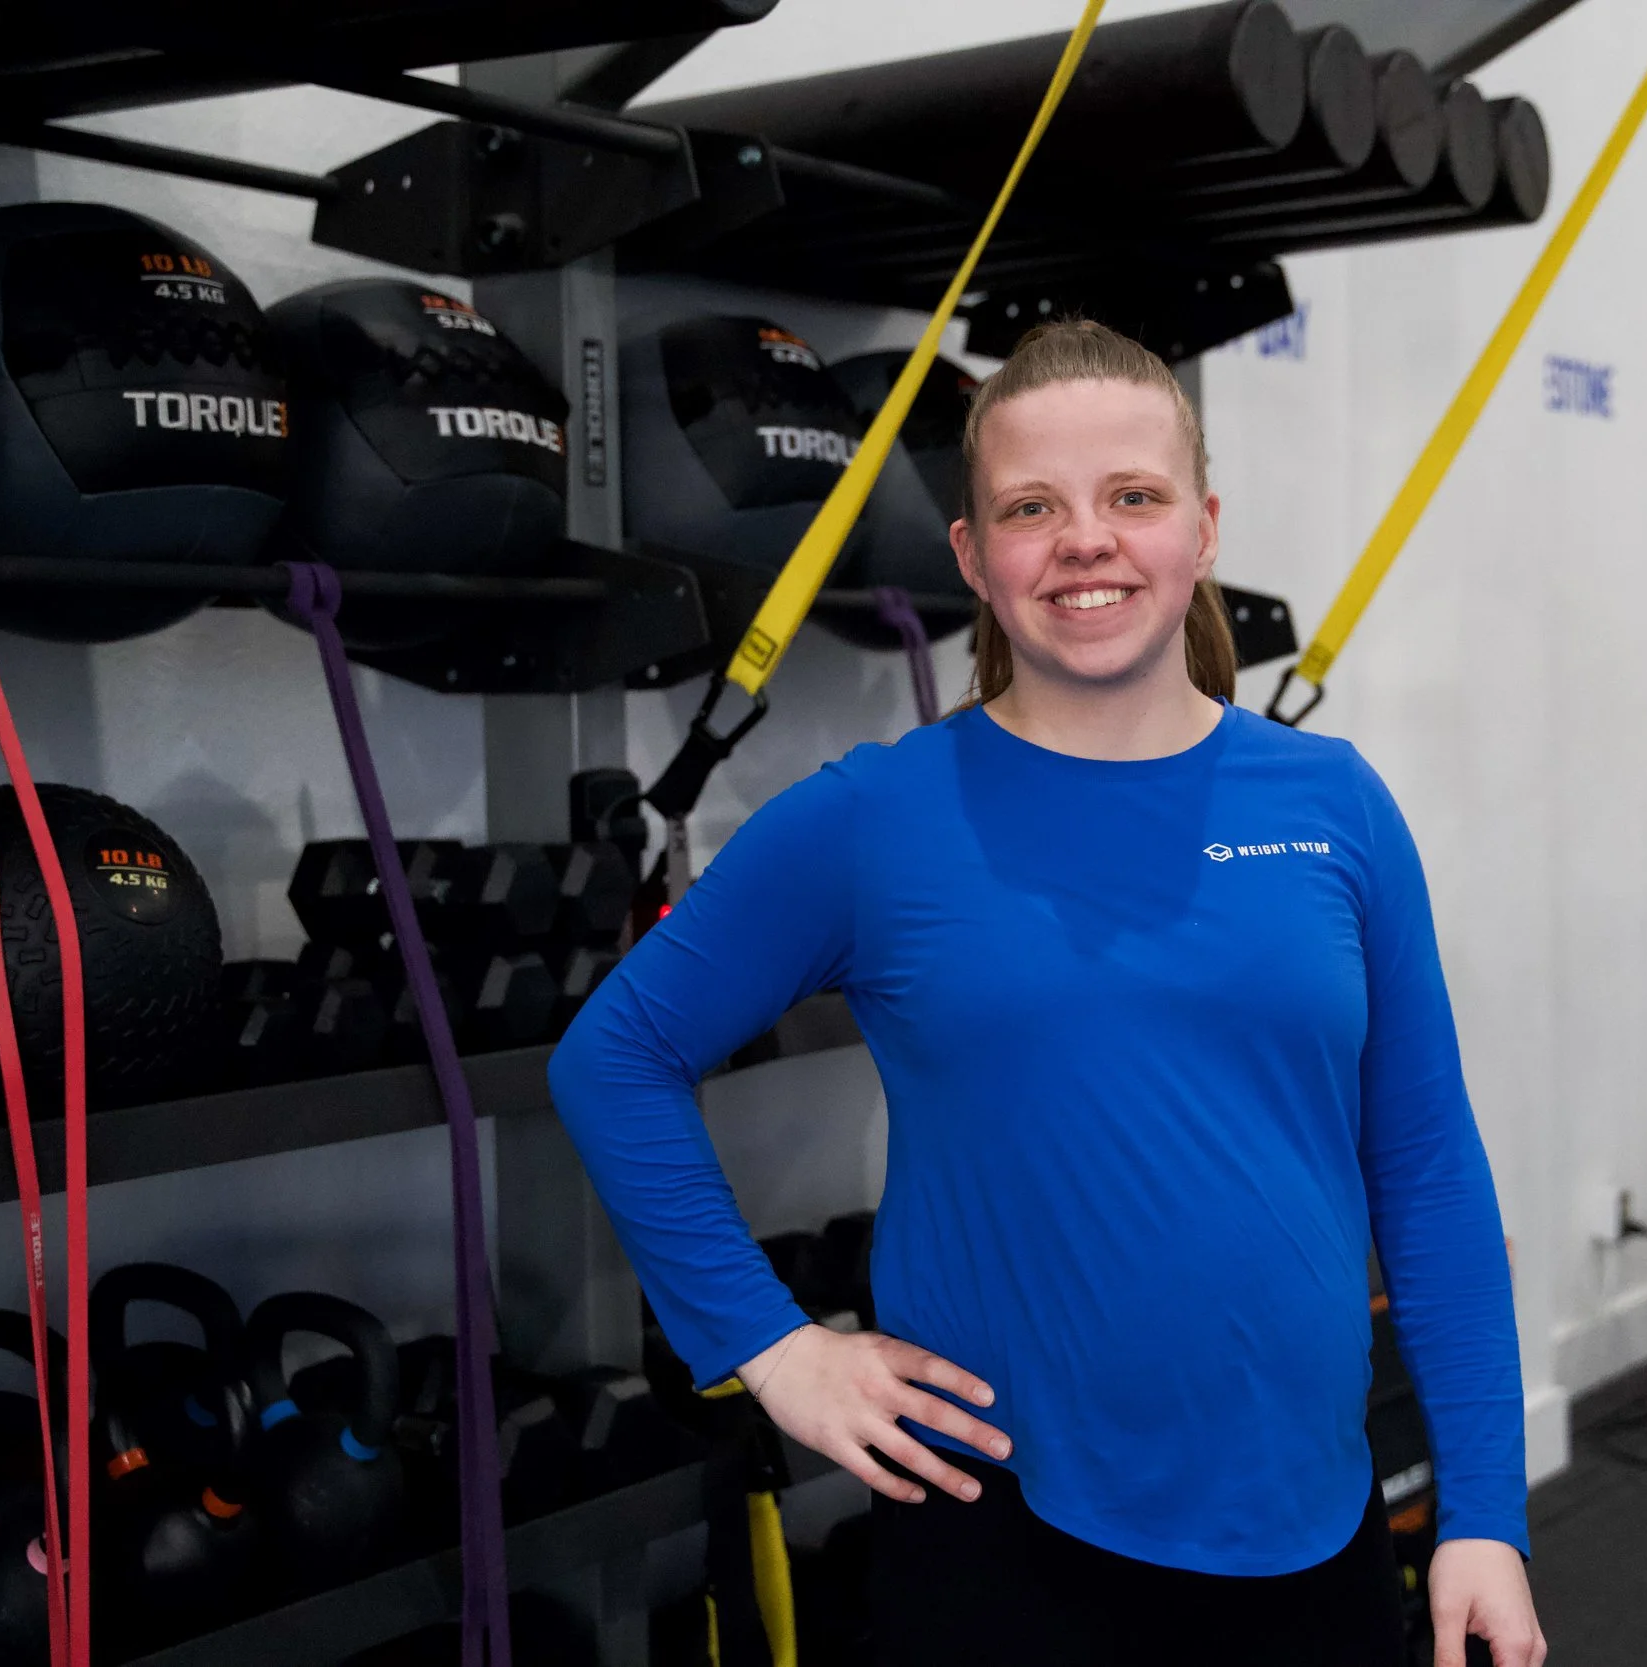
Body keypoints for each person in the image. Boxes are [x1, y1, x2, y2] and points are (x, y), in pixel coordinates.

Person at [550, 319, 1544, 1667]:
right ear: (973, 555)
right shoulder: (877, 821)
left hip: (1315, 1529)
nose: (1088, 539)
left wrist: (1483, 1506)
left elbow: (1424, 1161)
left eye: (1133, 497)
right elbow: (614, 1055)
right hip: (1005, 1545)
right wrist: (772, 1347)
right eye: (1033, 507)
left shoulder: (1335, 806)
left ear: (1201, 530)